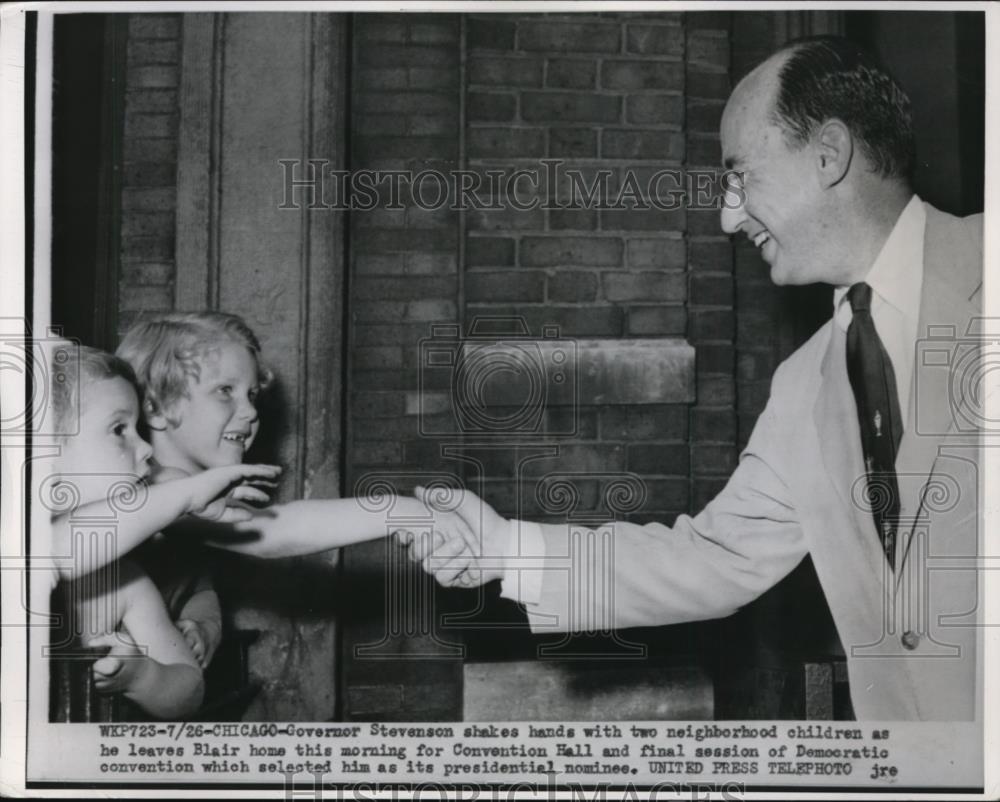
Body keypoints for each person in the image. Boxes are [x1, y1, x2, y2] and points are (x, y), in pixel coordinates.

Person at [401, 36, 983, 721]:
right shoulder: (803, 386)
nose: (727, 216)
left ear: (828, 155)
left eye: (739, 176)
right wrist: (505, 548)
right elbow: (717, 557)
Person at [115, 312, 475, 563]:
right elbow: (276, 530)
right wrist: (401, 510)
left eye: (251, 395)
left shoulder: (178, 486)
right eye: (225, 390)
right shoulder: (158, 486)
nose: (250, 412)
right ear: (156, 408)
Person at [48, 346, 279, 717]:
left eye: (138, 428)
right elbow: (61, 549)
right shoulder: (25, 546)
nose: (143, 448)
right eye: (119, 429)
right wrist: (184, 494)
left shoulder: (123, 581)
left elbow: (189, 688)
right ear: (44, 455)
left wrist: (142, 676)